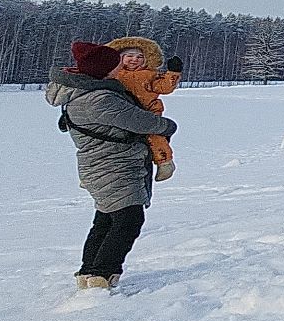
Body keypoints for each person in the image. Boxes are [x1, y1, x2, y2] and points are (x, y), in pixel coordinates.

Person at [48, 41, 177, 290]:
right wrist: (168, 127)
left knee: (107, 219)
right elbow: (141, 122)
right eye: (117, 64)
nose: (121, 69)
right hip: (113, 165)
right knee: (128, 219)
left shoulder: (86, 92)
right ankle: (102, 275)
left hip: (104, 165)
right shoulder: (100, 99)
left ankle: (90, 274)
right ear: (103, 70)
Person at [105, 36, 183, 181]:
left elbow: (164, 87)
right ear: (119, 57)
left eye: (140, 56)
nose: (135, 59)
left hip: (148, 111)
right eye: (129, 56)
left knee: (155, 136)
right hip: (121, 112)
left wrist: (173, 73)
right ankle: (98, 173)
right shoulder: (114, 74)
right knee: (108, 140)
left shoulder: (149, 75)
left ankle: (165, 162)